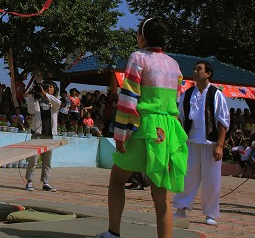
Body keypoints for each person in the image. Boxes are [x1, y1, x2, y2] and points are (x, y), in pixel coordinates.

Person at [96, 18, 187, 238]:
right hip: (168, 128)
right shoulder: (174, 64)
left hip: (142, 125)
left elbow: (128, 98)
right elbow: (177, 98)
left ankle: (113, 233)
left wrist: (120, 134)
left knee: (117, 179)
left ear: (142, 37)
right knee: (161, 193)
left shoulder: (138, 57)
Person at [173, 60, 230, 227]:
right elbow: (181, 119)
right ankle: (181, 208)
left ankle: (210, 214)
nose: (195, 71)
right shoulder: (187, 94)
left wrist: (220, 145)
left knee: (212, 180)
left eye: (199, 69)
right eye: (194, 69)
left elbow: (222, 121)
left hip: (210, 143)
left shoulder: (216, 94)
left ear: (208, 73)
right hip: (190, 142)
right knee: (187, 176)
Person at [24, 81, 60, 192]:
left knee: (47, 161)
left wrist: (45, 94)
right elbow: (30, 111)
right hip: (37, 133)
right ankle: (29, 182)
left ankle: (46, 182)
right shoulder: (37, 100)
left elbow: (58, 104)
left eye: (51, 87)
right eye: (47, 87)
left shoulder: (54, 100)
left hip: (49, 134)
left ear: (54, 90)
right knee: (33, 159)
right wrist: (31, 95)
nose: (49, 88)